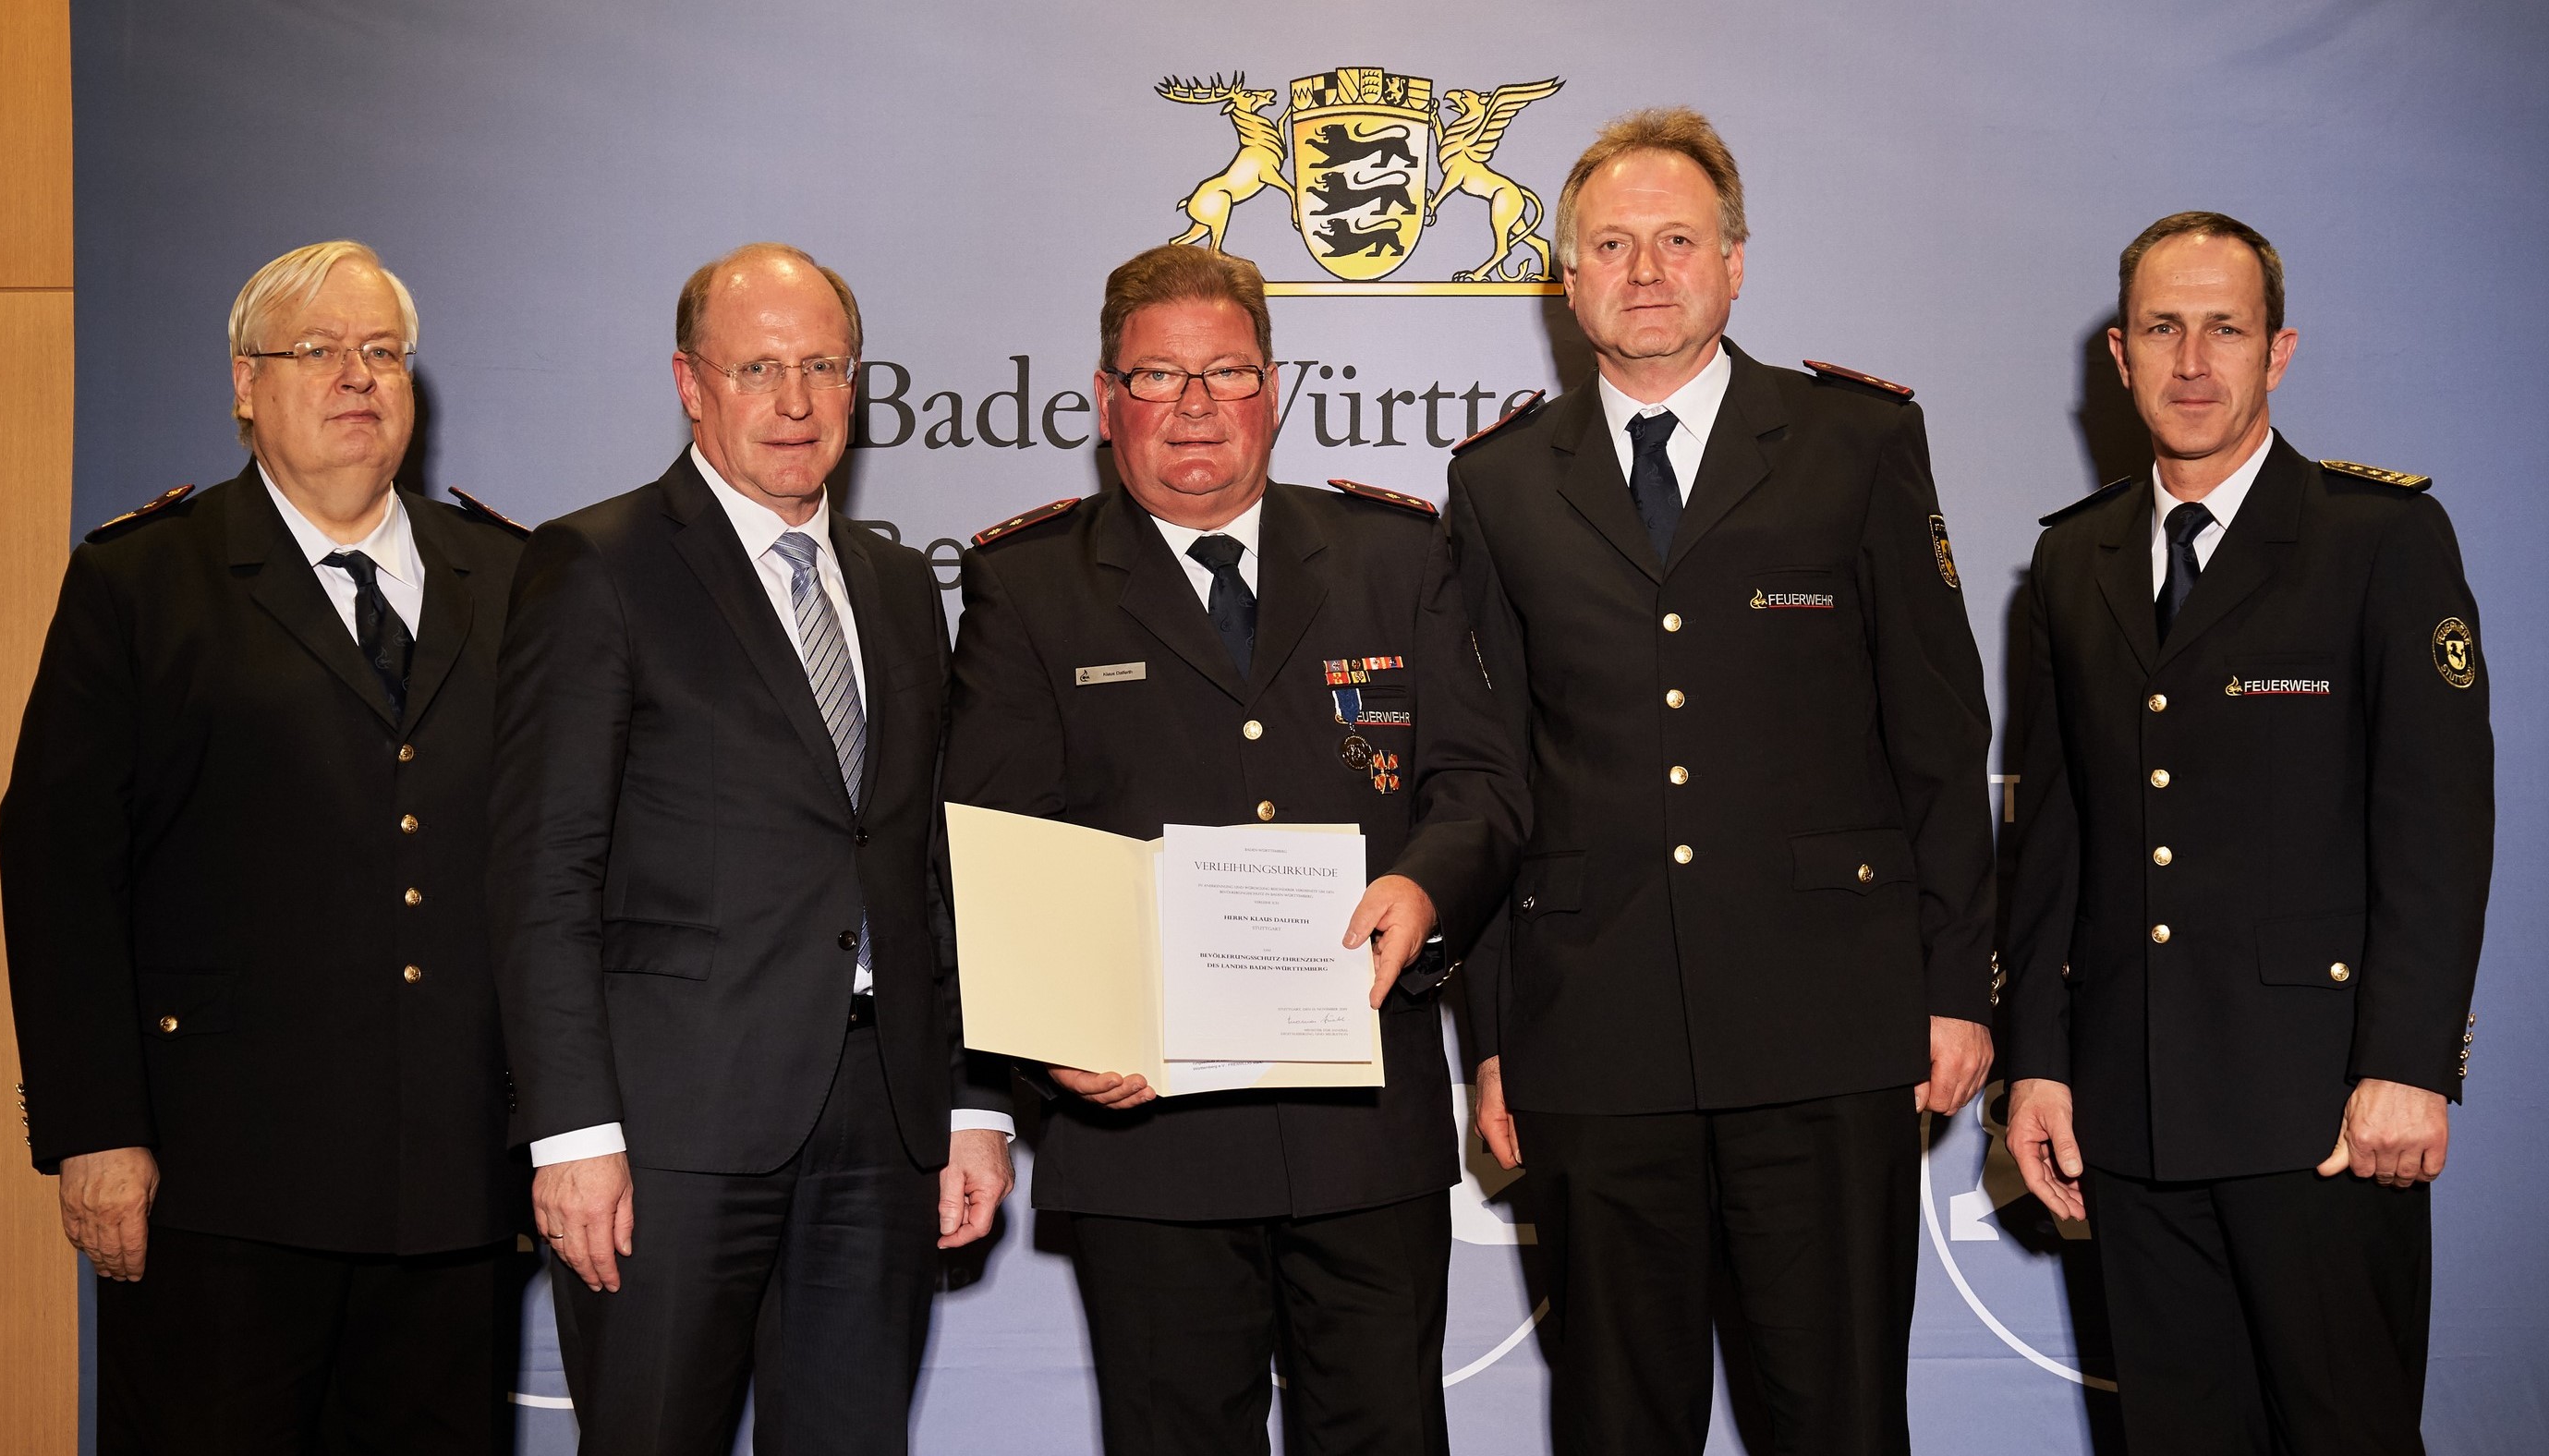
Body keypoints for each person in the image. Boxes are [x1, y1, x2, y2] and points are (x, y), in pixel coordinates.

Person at [1446, 109, 1997, 1453]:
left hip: (1825, 1022)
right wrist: (1498, 1036)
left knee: (1839, 1416)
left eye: (1677, 239)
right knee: (1619, 1423)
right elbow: (1488, 778)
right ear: (1562, 278)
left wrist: (1950, 986)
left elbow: (1937, 732)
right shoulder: (1499, 481)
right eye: (1612, 244)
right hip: (1593, 1031)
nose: (1646, 269)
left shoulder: (1854, 443)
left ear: (1735, 262)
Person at [942, 243, 1528, 1456]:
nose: (1195, 407)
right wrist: (1055, 1033)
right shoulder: (1029, 588)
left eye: (1225, 372)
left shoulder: (1395, 557)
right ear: (1106, 403)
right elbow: (993, 848)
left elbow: (1478, 786)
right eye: (1157, 378)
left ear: (1276, 390)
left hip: (1361, 1126)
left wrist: (1424, 885)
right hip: (1146, 1142)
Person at [0, 239, 530, 1453]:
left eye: (383, 353)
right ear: (246, 385)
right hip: (219, 1185)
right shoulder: (145, 580)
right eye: (320, 352)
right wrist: (94, 1130)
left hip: (449, 1186)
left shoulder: (508, 577)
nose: (359, 378)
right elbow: (59, 869)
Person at [488, 243, 1014, 1455]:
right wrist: (571, 1134)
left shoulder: (890, 583)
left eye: (822, 366)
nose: (794, 401)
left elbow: (930, 861)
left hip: (881, 1120)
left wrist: (973, 1101)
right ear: (690, 383)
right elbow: (542, 874)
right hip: (668, 1135)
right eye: (759, 367)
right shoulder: (598, 565)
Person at [1999, 212, 2491, 1453]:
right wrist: (2039, 1062)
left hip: (2320, 1110)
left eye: (2225, 328)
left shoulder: (2376, 541)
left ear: (2277, 353)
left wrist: (2409, 1064)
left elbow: (2436, 827)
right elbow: (2052, 841)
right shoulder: (2071, 561)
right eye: (2161, 328)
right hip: (2131, 1108)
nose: (2191, 362)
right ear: (2117, 356)